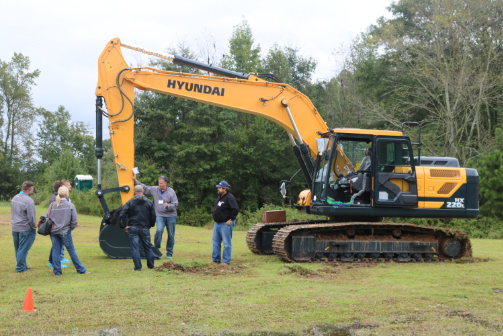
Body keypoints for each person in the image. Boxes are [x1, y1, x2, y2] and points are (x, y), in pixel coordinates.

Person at [133, 174, 178, 259]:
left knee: (171, 235)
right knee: (159, 230)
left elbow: (176, 204)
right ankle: (156, 249)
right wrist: (136, 181)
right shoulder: (155, 189)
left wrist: (168, 206)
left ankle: (169, 253)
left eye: (161, 183)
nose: (159, 185)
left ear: (166, 183)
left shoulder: (171, 192)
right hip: (160, 215)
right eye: (159, 183)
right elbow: (145, 188)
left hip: (171, 216)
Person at [47, 185, 89, 275]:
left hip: (54, 231)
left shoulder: (52, 204)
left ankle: (57, 271)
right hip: (65, 231)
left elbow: (47, 217)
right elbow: (74, 220)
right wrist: (70, 228)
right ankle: (81, 270)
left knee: (55, 250)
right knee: (71, 250)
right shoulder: (70, 205)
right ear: (66, 194)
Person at [119, 185, 156, 271]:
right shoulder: (149, 202)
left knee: (135, 248)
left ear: (134, 192)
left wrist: (123, 225)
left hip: (133, 227)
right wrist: (150, 225)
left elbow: (122, 214)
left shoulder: (130, 202)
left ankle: (138, 267)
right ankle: (151, 266)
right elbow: (153, 216)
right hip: (145, 228)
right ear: (143, 192)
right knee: (148, 247)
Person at [211, 181, 239, 265]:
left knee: (226, 243)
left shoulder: (229, 197)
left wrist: (231, 219)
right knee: (215, 242)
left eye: (219, 187)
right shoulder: (220, 197)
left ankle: (226, 261)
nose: (218, 189)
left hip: (225, 224)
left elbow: (235, 208)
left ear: (225, 189)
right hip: (217, 223)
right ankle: (215, 259)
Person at [11, 181, 37, 273]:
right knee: (23, 248)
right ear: (28, 190)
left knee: (18, 248)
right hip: (25, 229)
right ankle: (20, 268)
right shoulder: (29, 201)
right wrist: (34, 227)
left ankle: (22, 265)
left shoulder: (14, 198)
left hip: (15, 227)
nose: (32, 192)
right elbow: (31, 217)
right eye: (31, 190)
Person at [48, 180, 70, 269]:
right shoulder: (54, 199)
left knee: (58, 245)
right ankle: (53, 262)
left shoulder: (57, 198)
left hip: (60, 227)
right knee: (56, 246)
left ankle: (56, 260)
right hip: (57, 227)